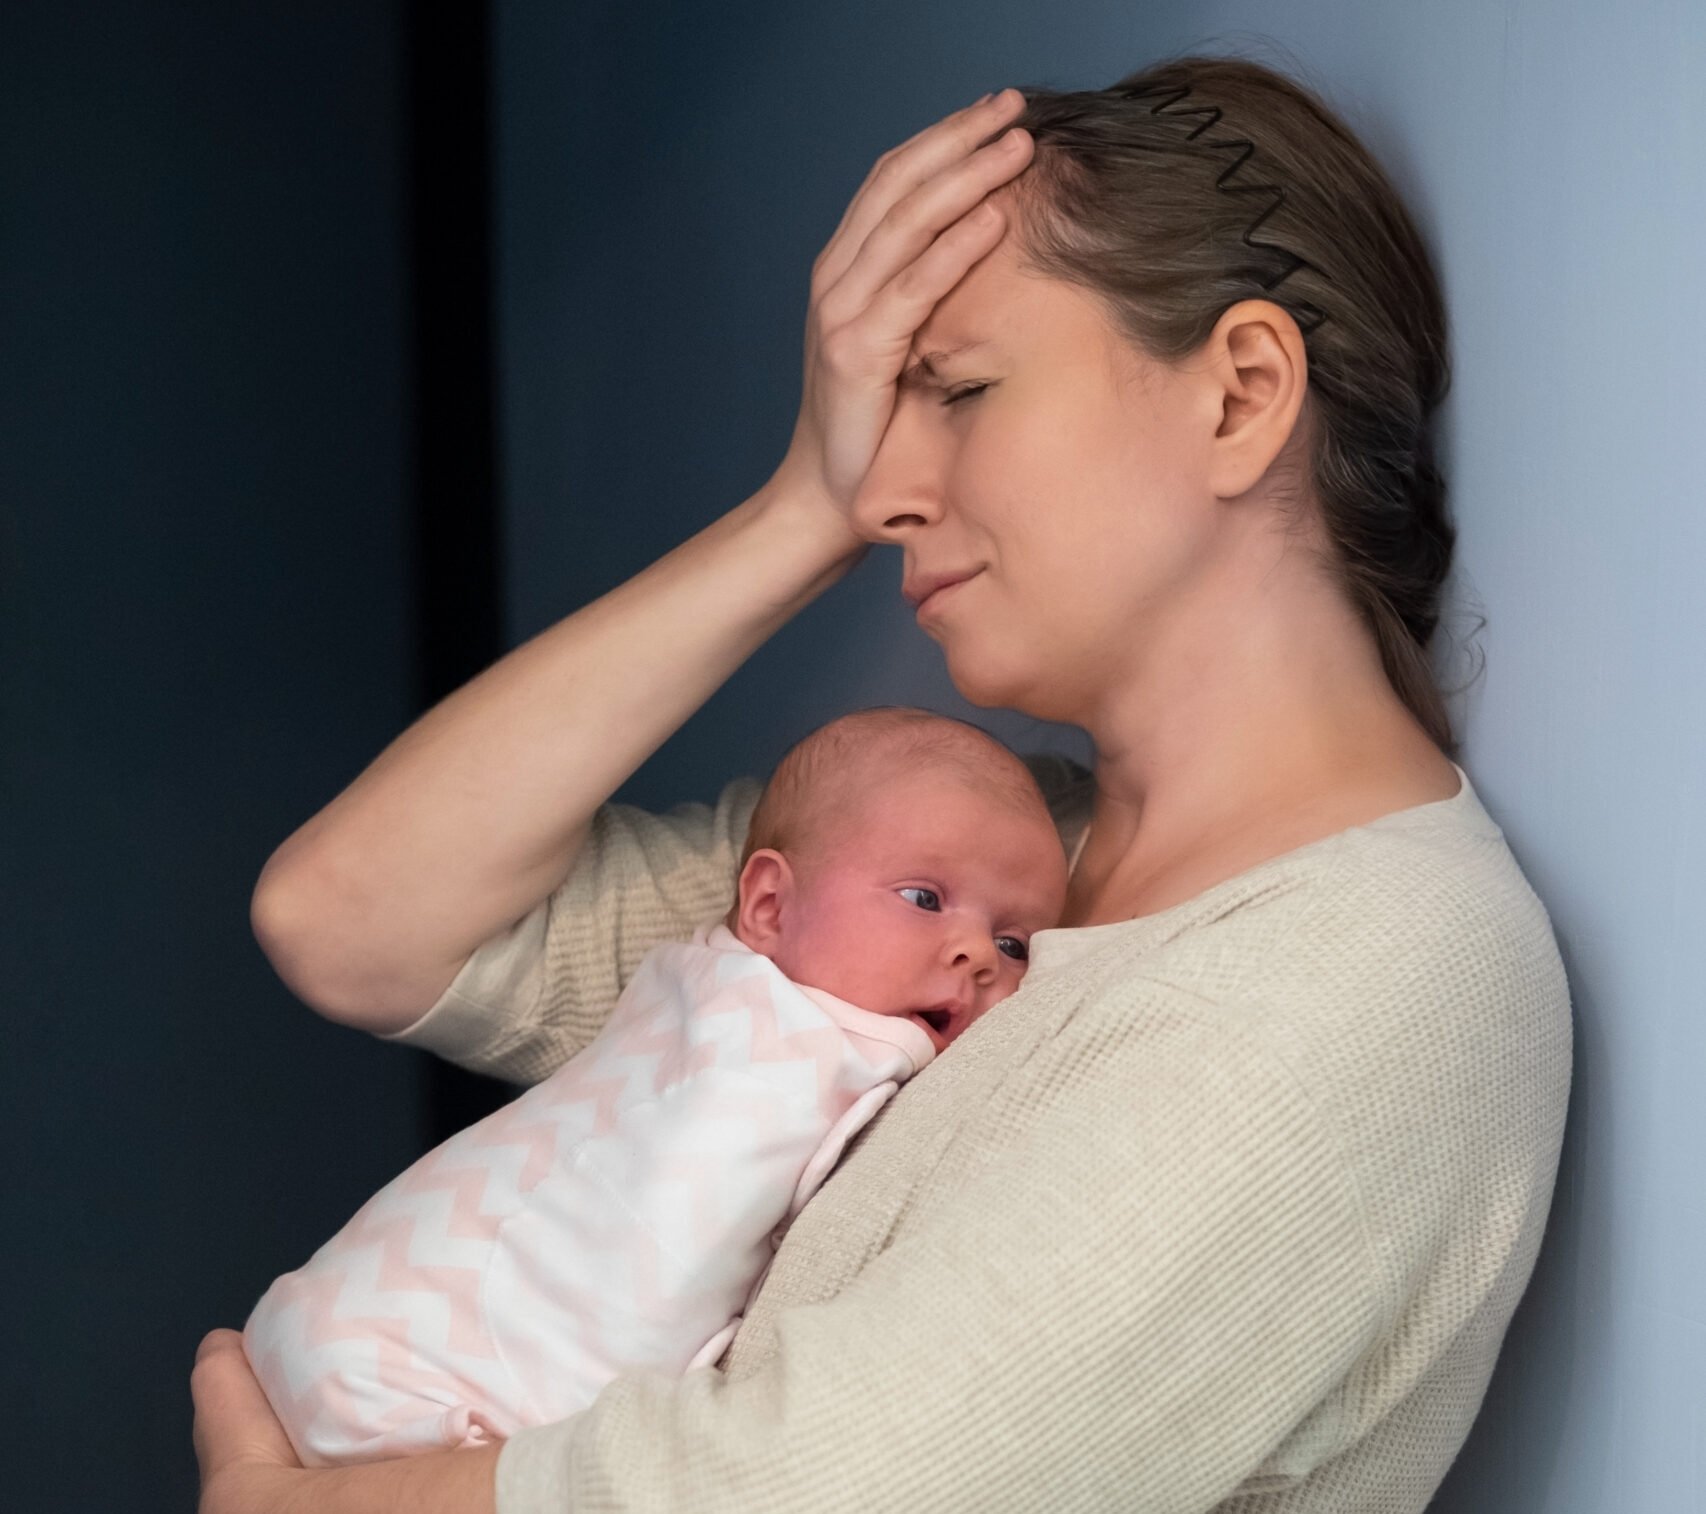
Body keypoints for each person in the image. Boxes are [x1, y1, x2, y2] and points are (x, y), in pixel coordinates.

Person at [193, 55, 1573, 1514]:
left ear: (1238, 396)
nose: (889, 486)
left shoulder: (1366, 980)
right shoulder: (981, 856)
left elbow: (828, 1482)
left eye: (960, 389)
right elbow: (352, 918)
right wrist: (797, 509)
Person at [239, 710, 1068, 1466]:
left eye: (1017, 941)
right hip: (425, 1375)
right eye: (923, 899)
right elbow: (659, 1261)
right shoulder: (784, 1055)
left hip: (342, 1323)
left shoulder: (713, 988)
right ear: (770, 906)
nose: (978, 955)